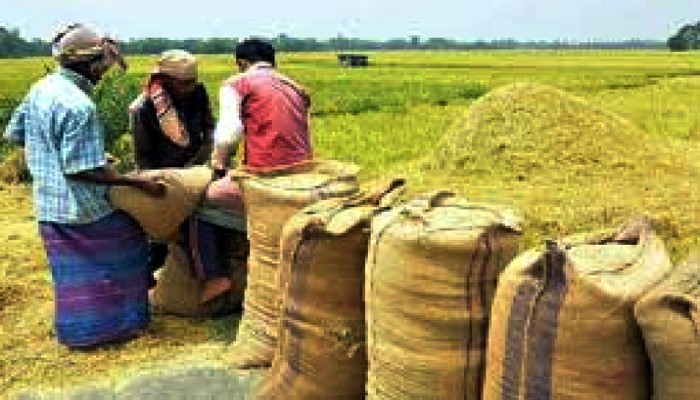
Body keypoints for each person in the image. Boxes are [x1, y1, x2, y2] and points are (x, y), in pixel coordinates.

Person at [3, 23, 165, 348]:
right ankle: (120, 327)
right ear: (90, 64)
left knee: (71, 274)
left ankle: (80, 332)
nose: (104, 71)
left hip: (50, 203)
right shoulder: (80, 105)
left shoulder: (41, 88)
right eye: (103, 64)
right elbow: (81, 171)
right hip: (84, 207)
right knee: (133, 244)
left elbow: (15, 133)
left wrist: (50, 150)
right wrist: (136, 182)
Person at [129, 50, 222, 297]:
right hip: (163, 175)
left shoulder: (198, 94)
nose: (190, 88)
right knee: (160, 234)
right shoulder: (144, 109)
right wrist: (159, 185)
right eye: (184, 83)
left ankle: (205, 276)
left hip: (197, 168)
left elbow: (209, 128)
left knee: (205, 219)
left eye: (193, 82)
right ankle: (141, 281)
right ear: (166, 80)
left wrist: (204, 157)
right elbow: (143, 157)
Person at [210, 38, 313, 174]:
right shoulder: (296, 87)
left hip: (265, 171)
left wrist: (218, 163)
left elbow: (228, 134)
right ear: (273, 62)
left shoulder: (236, 84)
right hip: (304, 169)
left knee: (214, 192)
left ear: (242, 63)